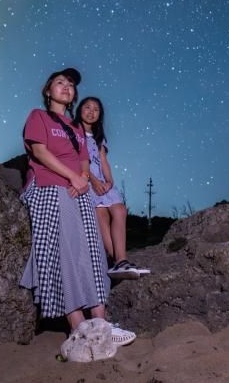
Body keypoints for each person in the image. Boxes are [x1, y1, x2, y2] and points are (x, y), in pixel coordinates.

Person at [19, 68, 135, 345]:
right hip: (48, 185)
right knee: (64, 248)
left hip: (78, 188)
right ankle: (79, 326)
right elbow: (40, 152)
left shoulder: (75, 128)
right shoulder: (38, 117)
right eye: (60, 82)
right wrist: (72, 177)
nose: (66, 87)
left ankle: (101, 323)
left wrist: (81, 178)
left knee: (93, 251)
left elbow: (84, 159)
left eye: (70, 85)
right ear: (48, 91)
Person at [75, 96, 150, 279]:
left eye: (96, 110)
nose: (91, 112)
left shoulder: (98, 137)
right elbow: (76, 160)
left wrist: (109, 181)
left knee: (120, 210)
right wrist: (93, 181)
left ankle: (121, 259)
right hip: (85, 178)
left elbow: (103, 161)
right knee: (101, 215)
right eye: (88, 107)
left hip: (102, 181)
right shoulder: (74, 131)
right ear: (80, 109)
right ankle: (117, 261)